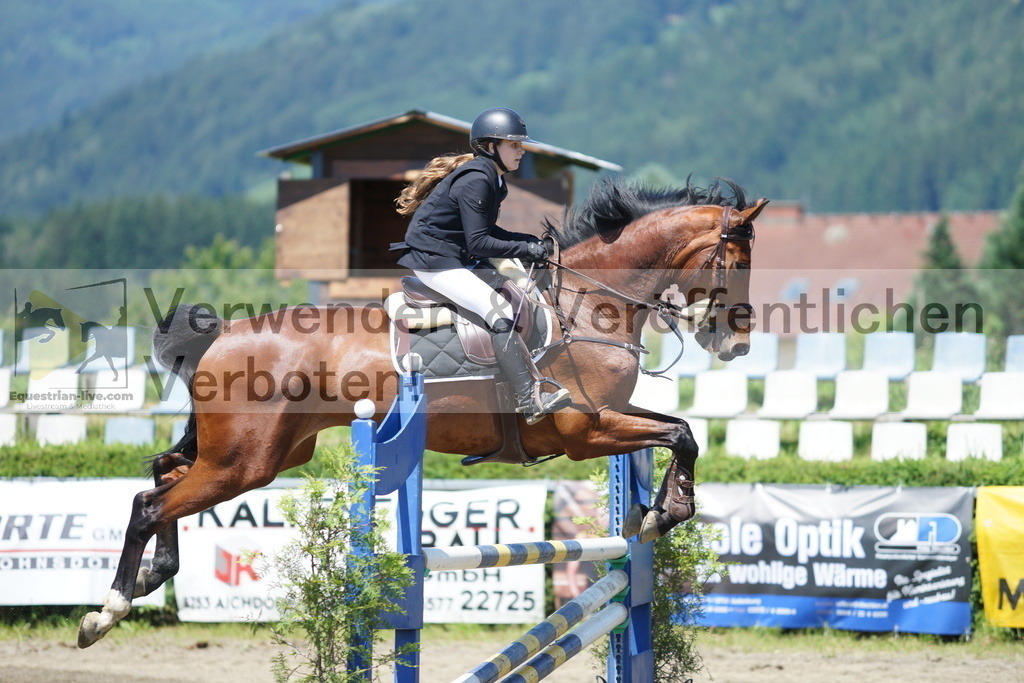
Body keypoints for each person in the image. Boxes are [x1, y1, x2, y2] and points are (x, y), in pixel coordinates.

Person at [393, 107, 571, 424]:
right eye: (513, 144)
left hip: (457, 256)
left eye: (521, 144)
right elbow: (478, 242)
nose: (521, 150)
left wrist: (531, 242)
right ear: (491, 147)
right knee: (499, 312)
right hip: (437, 262)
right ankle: (529, 400)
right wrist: (525, 247)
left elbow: (489, 232)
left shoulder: (492, 179)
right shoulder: (477, 180)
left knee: (515, 294)